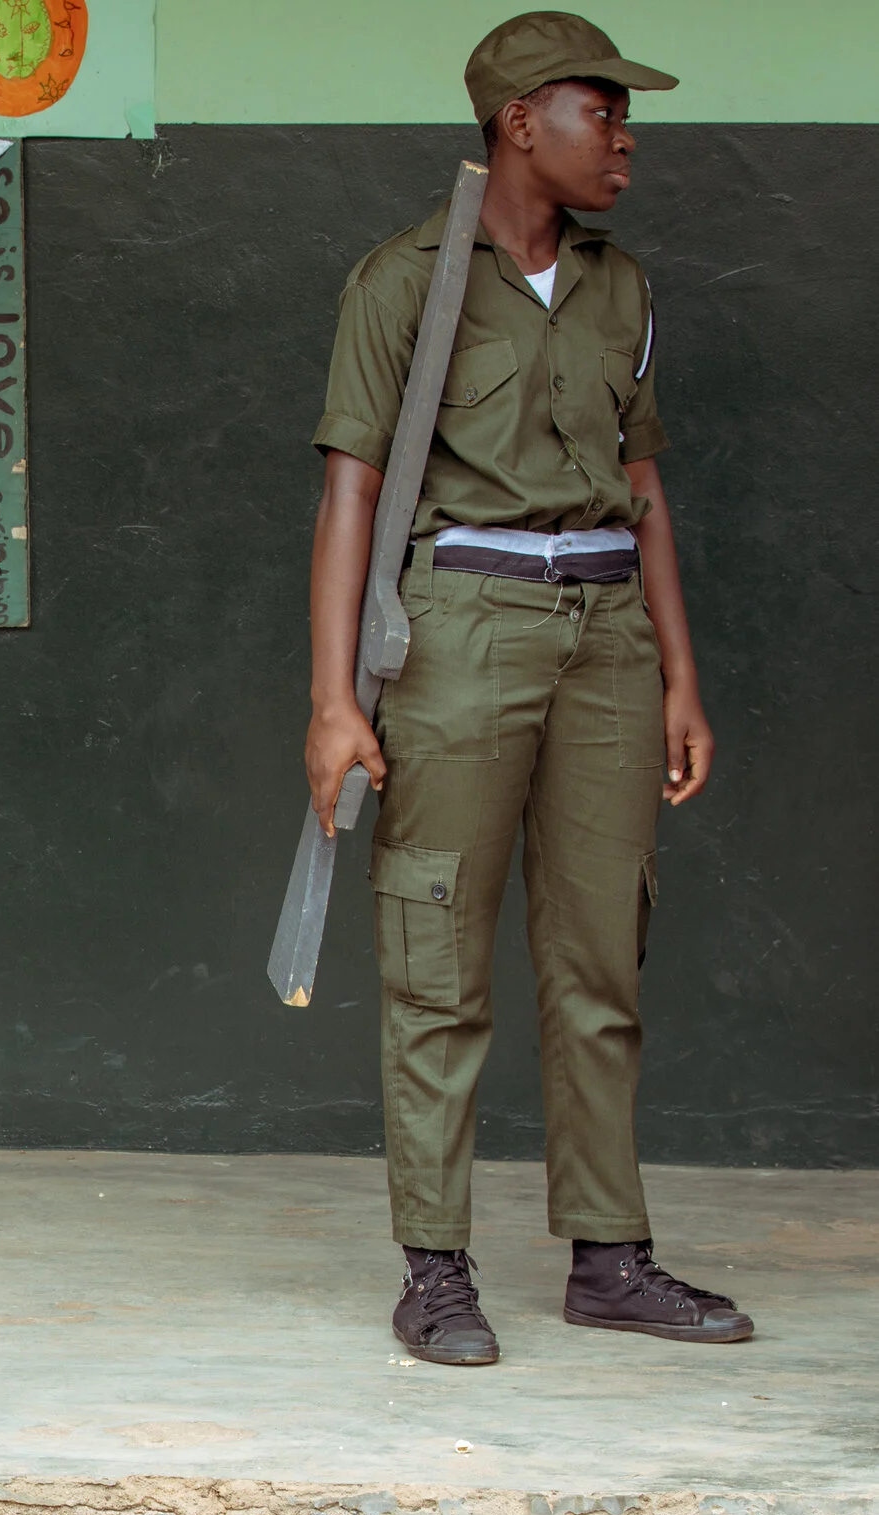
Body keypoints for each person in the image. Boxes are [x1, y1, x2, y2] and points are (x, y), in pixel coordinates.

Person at [304, 12, 753, 1366]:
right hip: (463, 629)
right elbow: (351, 492)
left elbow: (643, 484)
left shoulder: (623, 288)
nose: (624, 139)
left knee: (600, 953)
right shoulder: (404, 280)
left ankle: (608, 1256)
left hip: (608, 635)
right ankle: (435, 1267)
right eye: (600, 113)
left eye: (623, 117)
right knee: (437, 948)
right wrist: (333, 701)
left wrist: (680, 674)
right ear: (518, 123)